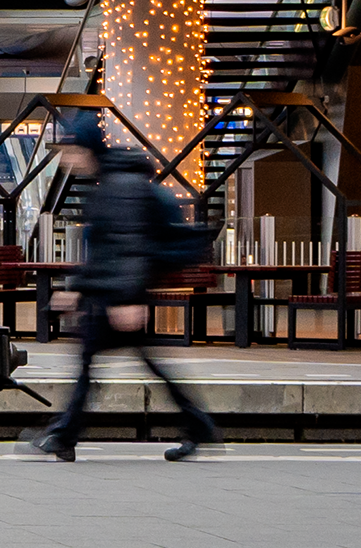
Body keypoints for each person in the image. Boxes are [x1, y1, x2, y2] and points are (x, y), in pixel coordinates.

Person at [26, 112, 220, 463]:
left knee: (95, 363)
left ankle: (64, 435)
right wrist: (80, 288)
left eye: (71, 151)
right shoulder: (113, 183)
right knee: (133, 362)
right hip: (114, 295)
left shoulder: (119, 187)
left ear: (87, 149)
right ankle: (197, 425)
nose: (68, 160)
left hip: (119, 298)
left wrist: (125, 298)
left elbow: (127, 247)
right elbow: (107, 250)